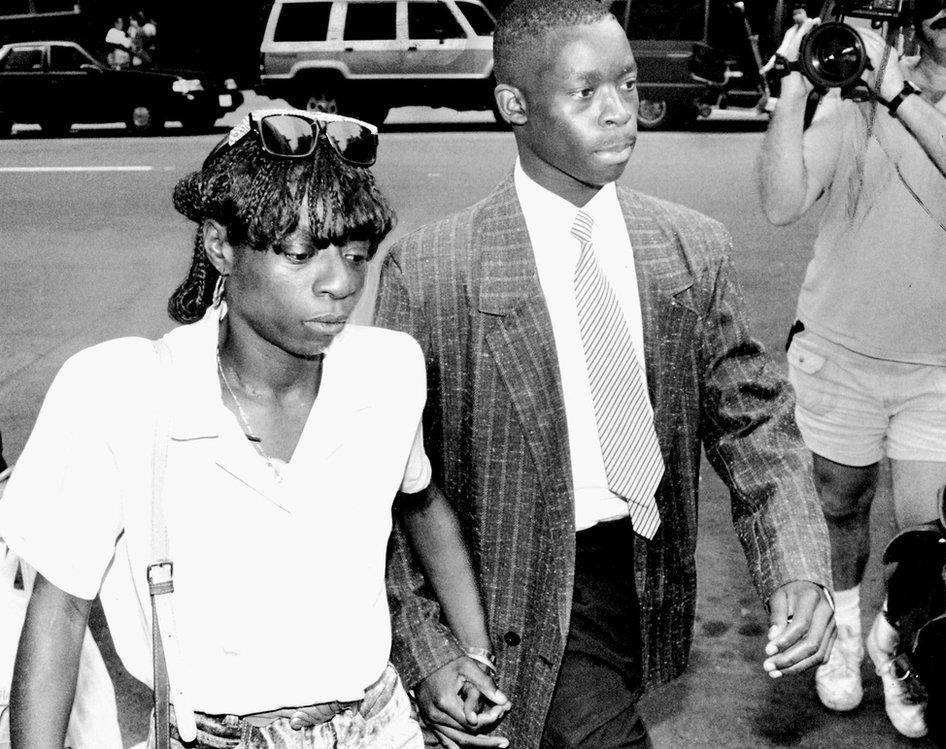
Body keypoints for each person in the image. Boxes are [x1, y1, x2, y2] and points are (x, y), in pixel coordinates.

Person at [375, 2, 835, 747]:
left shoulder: (689, 245)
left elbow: (754, 422)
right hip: (516, 580)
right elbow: (391, 492)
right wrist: (430, 651)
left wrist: (798, 565)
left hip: (647, 565)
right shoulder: (436, 269)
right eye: (585, 92)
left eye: (626, 83)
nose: (621, 112)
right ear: (514, 106)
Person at [0, 108, 504, 748]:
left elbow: (423, 503)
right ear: (220, 246)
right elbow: (60, 609)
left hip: (384, 728)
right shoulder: (124, 391)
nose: (340, 284)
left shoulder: (388, 371)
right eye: (300, 255)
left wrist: (472, 654)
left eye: (355, 254)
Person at [758, 0, 946, 739]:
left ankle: (898, 641)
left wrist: (897, 94)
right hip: (841, 353)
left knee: (926, 536)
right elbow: (782, 200)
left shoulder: (888, 89)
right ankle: (847, 633)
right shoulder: (858, 90)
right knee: (838, 503)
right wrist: (794, 84)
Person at [759, 2, 820, 78]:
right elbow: (782, 49)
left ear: (804, 13)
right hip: (794, 65)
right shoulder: (790, 31)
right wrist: (767, 67)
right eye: (795, 14)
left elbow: (817, 21)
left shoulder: (811, 22)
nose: (797, 16)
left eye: (799, 13)